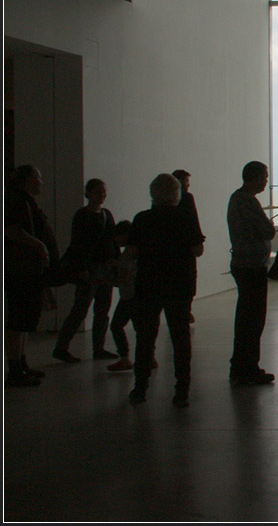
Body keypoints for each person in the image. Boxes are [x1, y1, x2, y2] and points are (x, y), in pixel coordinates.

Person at [125, 173, 205, 407]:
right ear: (177, 193)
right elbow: (198, 249)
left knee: (146, 337)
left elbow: (130, 253)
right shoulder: (185, 217)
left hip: (149, 284)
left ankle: (140, 388)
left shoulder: (142, 219)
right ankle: (181, 390)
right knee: (180, 338)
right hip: (180, 284)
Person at [52, 179, 120, 362]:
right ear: (89, 193)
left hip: (103, 268)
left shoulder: (102, 214)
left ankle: (94, 348)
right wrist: (82, 269)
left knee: (97, 310)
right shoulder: (86, 215)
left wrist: (115, 263)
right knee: (82, 310)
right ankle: (66, 348)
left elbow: (110, 241)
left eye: (103, 192)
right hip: (92, 269)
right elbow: (79, 244)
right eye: (98, 192)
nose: (102, 195)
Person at [4, 165, 57, 387]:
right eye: (37, 178)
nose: (41, 182)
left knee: (24, 319)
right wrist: (38, 245)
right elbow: (10, 229)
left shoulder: (23, 200)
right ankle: (15, 368)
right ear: (26, 180)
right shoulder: (17, 201)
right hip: (21, 271)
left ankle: (21, 363)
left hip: (27, 270)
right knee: (18, 320)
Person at [227, 160, 277, 385]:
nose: (266, 181)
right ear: (255, 178)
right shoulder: (247, 201)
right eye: (264, 177)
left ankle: (242, 366)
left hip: (244, 265)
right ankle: (247, 368)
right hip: (251, 267)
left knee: (247, 319)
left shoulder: (238, 199)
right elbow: (268, 231)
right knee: (253, 320)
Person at [173, 169, 205, 324]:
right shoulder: (186, 198)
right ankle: (185, 311)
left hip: (173, 251)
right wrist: (198, 242)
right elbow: (193, 221)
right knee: (188, 282)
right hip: (186, 250)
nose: (188, 184)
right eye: (186, 181)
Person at [105, 221, 137, 372]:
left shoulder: (126, 254)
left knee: (116, 325)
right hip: (138, 295)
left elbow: (123, 278)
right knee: (142, 328)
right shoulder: (137, 250)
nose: (115, 240)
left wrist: (106, 280)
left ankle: (124, 358)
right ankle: (150, 357)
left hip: (128, 297)